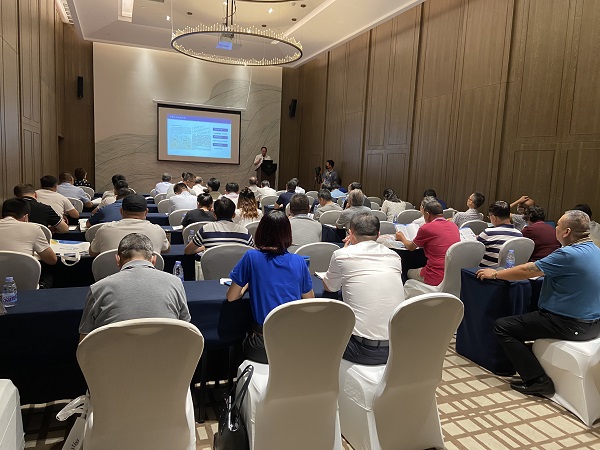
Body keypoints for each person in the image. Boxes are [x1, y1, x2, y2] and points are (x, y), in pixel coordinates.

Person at [477, 210, 600, 396]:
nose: (555, 228)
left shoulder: (568, 254)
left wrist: (495, 274)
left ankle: (538, 380)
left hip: (570, 323)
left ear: (566, 231)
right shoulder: (596, 250)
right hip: (593, 324)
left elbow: (528, 270)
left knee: (503, 326)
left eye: (557, 225)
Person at [226, 211, 314, 363]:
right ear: (287, 234)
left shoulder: (251, 257)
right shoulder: (299, 261)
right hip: (293, 343)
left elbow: (231, 297)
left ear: (261, 232)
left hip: (262, 344)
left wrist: (247, 284)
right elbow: (310, 300)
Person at [323, 212, 403, 365]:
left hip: (361, 349)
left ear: (350, 232)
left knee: (322, 327)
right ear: (378, 234)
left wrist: (345, 250)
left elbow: (330, 287)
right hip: (397, 347)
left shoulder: (341, 255)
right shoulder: (394, 256)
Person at [79, 233, 190, 339]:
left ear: (117, 260)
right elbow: (186, 328)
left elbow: (85, 340)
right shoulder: (176, 283)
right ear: (154, 260)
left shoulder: (98, 289)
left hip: (115, 352)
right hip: (166, 351)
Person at [395, 200, 460, 286]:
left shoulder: (426, 228)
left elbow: (410, 247)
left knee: (406, 270)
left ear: (427, 214)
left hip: (434, 275)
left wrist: (402, 238)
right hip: (452, 275)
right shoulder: (454, 226)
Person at [89, 194, 170, 257]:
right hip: (149, 274)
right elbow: (166, 249)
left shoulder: (104, 229)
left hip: (110, 273)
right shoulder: (158, 230)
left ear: (121, 211)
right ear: (146, 212)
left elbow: (92, 252)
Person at [184, 198, 254, 255]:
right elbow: (254, 253)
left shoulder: (205, 229)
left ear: (214, 214)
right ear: (234, 215)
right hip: (238, 268)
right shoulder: (245, 232)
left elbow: (188, 251)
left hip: (211, 268)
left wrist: (203, 248)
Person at [0, 198, 57, 265]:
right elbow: (52, 260)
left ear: (1, 216)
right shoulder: (34, 229)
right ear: (26, 217)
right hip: (22, 271)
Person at [477, 201, 523, 267]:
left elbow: (473, 250)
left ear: (494, 218)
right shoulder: (519, 235)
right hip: (508, 270)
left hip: (485, 270)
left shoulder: (488, 233)